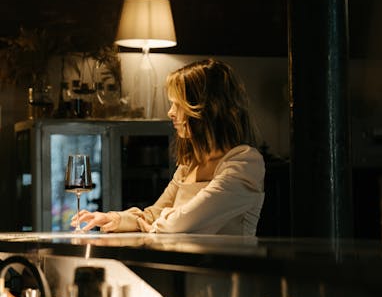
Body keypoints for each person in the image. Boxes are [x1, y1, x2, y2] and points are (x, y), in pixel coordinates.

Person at [72, 59, 265, 235]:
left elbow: (178, 224)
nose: (170, 112)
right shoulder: (189, 165)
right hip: (183, 269)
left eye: (178, 105)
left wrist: (161, 221)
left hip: (224, 272)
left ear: (207, 108)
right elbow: (154, 214)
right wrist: (114, 219)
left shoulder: (244, 163)